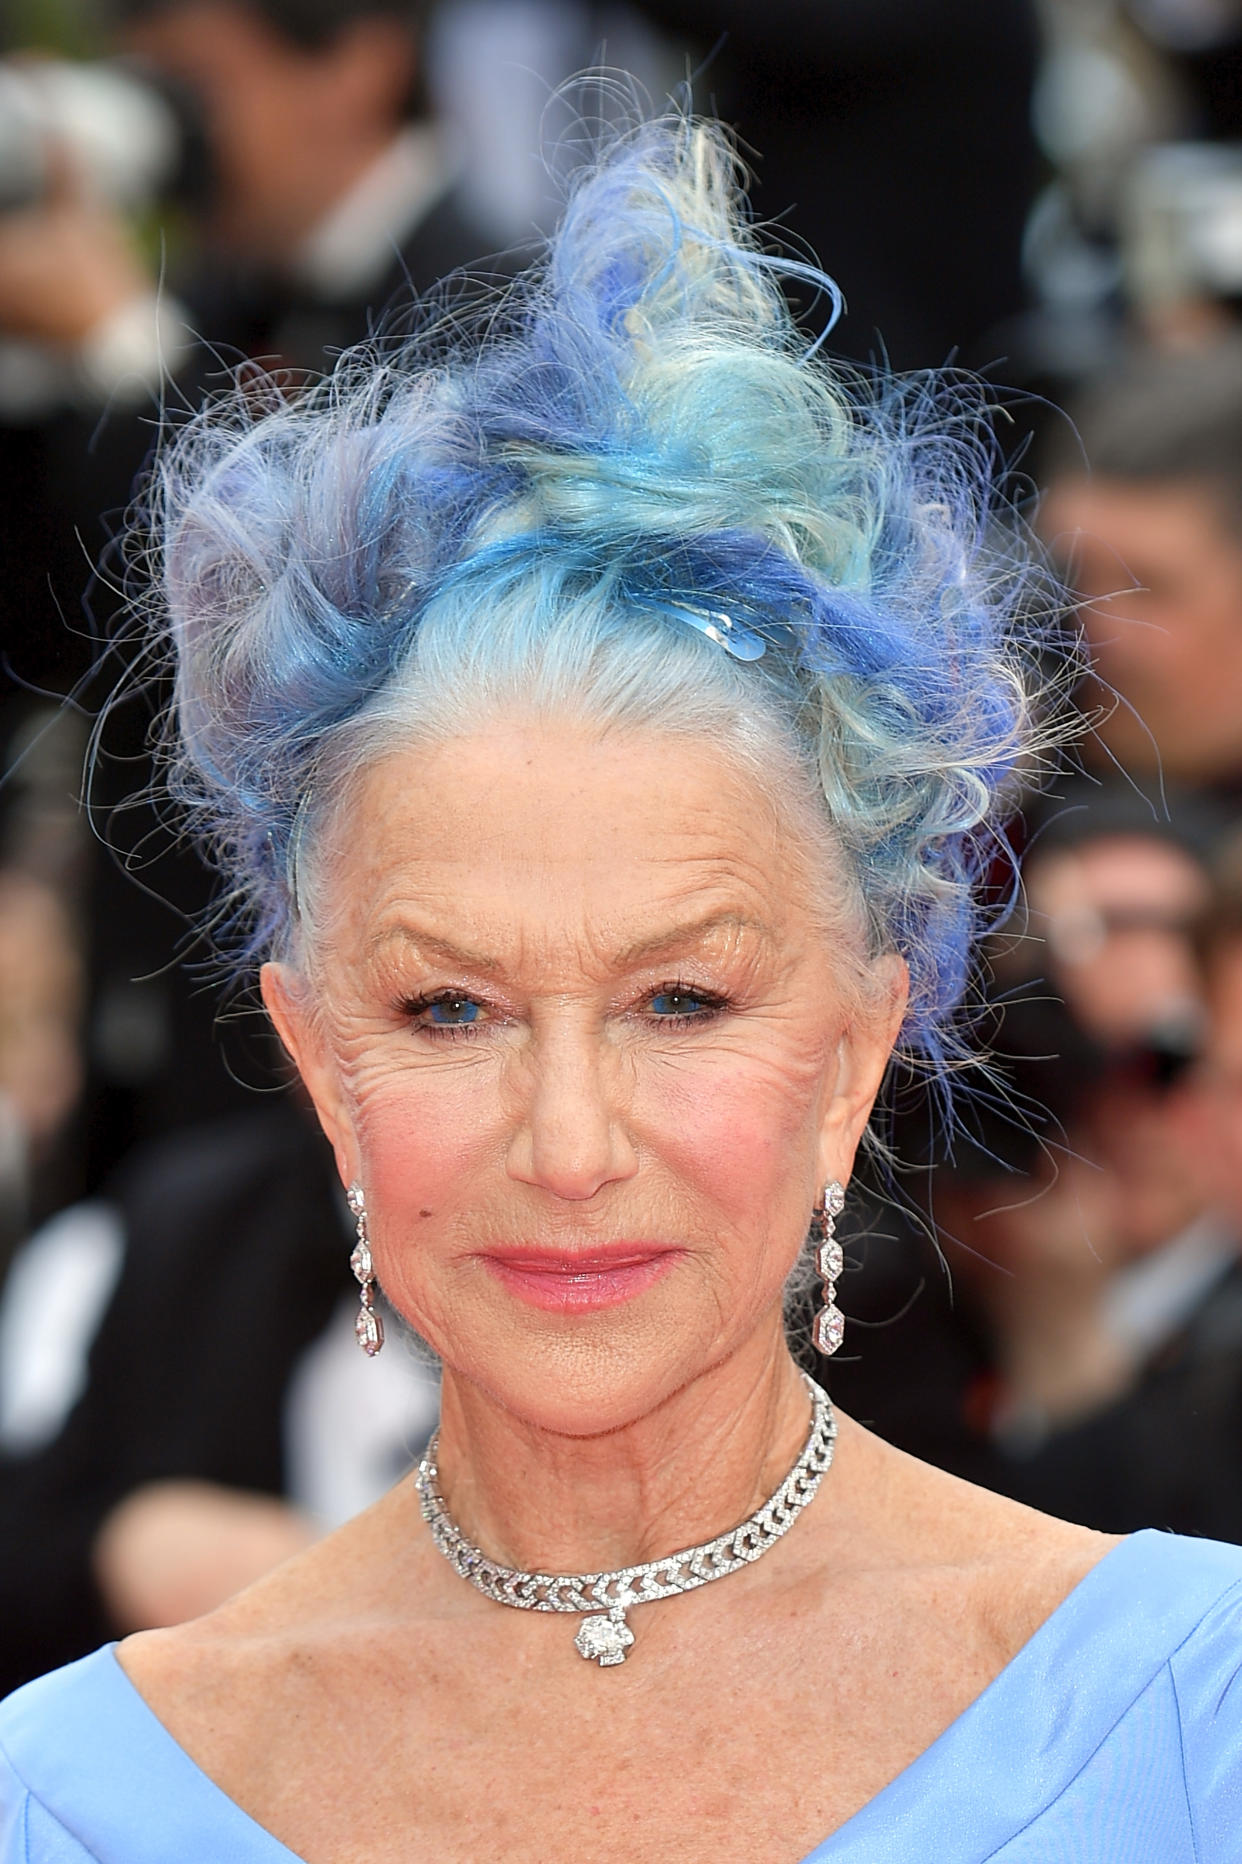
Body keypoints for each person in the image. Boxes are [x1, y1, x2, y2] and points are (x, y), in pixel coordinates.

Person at [4, 116, 1242, 1863]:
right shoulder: (68, 1795)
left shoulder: (1194, 1716)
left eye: (680, 1003)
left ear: (850, 1049)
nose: (567, 1143)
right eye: (450, 1011)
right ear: (314, 1056)